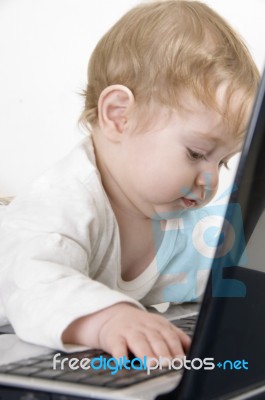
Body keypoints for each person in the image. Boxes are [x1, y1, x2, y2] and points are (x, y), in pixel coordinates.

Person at [0, 0, 260, 362]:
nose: (211, 178)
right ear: (120, 116)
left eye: (224, 161)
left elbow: (222, 263)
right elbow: (34, 283)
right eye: (197, 153)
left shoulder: (175, 216)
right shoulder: (61, 204)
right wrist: (109, 318)